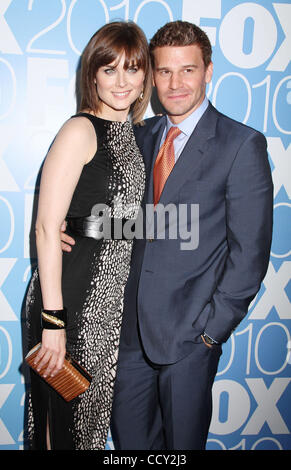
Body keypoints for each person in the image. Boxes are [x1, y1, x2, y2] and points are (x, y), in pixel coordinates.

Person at [62, 21, 273, 450]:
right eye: (164, 71)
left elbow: (249, 255)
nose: (175, 83)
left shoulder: (241, 144)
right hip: (127, 336)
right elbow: (146, 224)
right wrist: (78, 228)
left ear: (208, 71)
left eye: (188, 70)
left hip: (190, 339)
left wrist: (210, 333)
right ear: (152, 77)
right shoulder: (140, 136)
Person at [25, 20, 152, 450]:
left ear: (144, 77)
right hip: (69, 305)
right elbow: (45, 227)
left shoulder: (135, 137)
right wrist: (53, 322)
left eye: (132, 69)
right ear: (92, 75)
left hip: (109, 311)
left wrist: (86, 225)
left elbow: (123, 222)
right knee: (63, 426)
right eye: (109, 69)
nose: (121, 81)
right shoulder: (80, 130)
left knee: (88, 428)